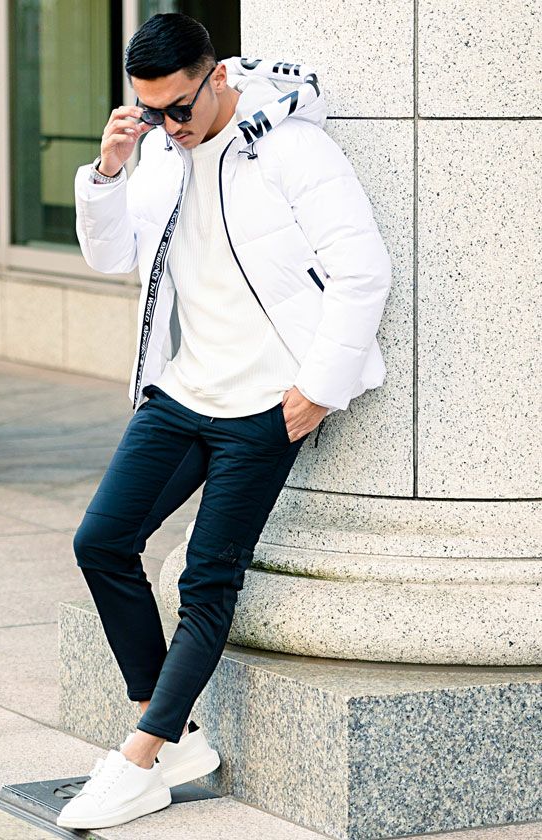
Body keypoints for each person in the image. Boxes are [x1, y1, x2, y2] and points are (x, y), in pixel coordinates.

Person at [57, 12, 392, 831]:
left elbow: (363, 269)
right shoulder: (158, 156)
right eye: (150, 110)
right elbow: (111, 257)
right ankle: (172, 735)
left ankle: (141, 758)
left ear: (215, 76)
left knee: (207, 582)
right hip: (181, 394)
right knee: (101, 542)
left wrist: (317, 390)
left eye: (179, 107)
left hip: (265, 408)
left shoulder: (292, 149)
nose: (169, 126)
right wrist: (106, 172)